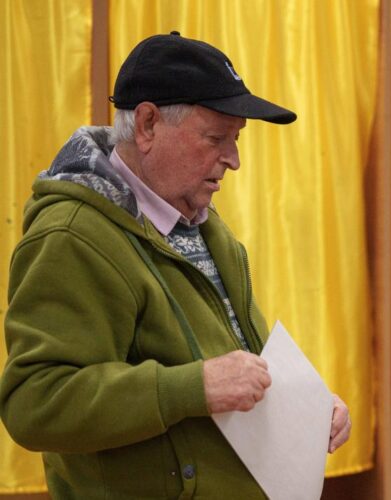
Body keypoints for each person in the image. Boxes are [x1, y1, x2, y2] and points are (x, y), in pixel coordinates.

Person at [0, 32, 351, 498]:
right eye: (216, 138)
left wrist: (301, 410)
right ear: (147, 124)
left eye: (236, 138)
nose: (234, 159)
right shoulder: (72, 235)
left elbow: (240, 371)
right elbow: (35, 402)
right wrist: (191, 388)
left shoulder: (201, 223)